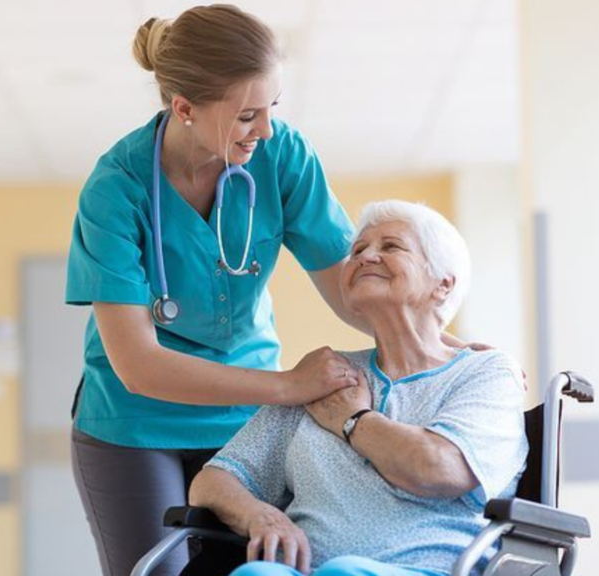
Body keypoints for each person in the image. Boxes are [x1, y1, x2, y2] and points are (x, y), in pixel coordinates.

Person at [65, 5, 472, 575]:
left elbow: (352, 288)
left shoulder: (280, 157)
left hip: (243, 421)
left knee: (257, 567)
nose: (267, 129)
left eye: (273, 107)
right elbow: (139, 366)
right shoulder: (117, 188)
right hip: (133, 422)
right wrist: (289, 386)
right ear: (183, 108)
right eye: (248, 115)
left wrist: (445, 349)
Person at [189, 200, 528, 576]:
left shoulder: (485, 373)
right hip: (308, 570)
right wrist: (261, 516)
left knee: (344, 572)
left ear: (443, 284)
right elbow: (215, 479)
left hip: (431, 568)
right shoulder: (323, 376)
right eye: (358, 250)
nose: (366, 257)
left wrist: (354, 419)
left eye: (391, 247)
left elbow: (438, 467)